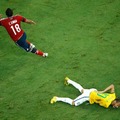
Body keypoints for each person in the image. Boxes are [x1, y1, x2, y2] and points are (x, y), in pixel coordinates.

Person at [50, 77, 120, 108]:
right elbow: (99, 102)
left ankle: (68, 80)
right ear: (115, 102)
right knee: (73, 103)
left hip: (94, 90)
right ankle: (56, 98)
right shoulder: (107, 104)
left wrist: (103, 91)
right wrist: (112, 105)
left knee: (82, 90)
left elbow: (112, 86)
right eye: (117, 105)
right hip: (89, 96)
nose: (117, 106)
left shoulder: (113, 95)